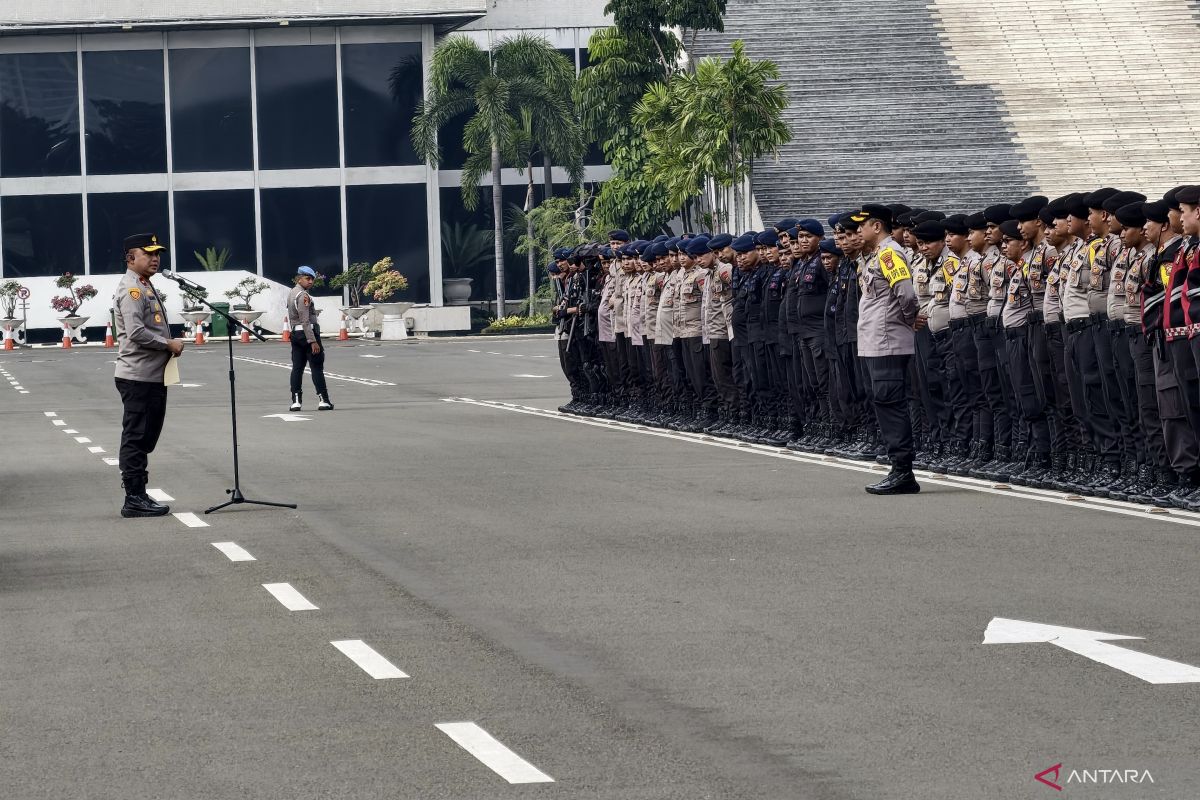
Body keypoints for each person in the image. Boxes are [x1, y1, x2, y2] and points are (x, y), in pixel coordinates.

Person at [113, 232, 184, 518]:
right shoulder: (132, 289)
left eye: (158, 254)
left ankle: (139, 493)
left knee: (146, 437)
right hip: (138, 376)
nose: (155, 258)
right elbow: (136, 332)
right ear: (131, 258)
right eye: (148, 253)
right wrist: (168, 343)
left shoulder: (145, 285)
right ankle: (134, 496)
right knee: (136, 436)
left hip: (152, 375)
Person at [856, 204, 923, 494]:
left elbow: (906, 294)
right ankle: (897, 467)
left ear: (877, 226)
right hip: (875, 341)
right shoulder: (873, 256)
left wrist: (909, 320)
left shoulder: (889, 253)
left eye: (862, 225)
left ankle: (903, 471)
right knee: (884, 404)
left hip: (888, 341)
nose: (858, 231)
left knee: (890, 404)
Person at [288, 265, 333, 411]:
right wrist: (313, 340)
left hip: (295, 334)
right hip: (307, 334)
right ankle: (324, 400)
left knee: (297, 368)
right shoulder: (303, 296)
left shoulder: (292, 293)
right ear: (299, 278)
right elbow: (305, 320)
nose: (311, 282)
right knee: (316, 367)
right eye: (307, 278)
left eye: (312, 279)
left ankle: (296, 401)